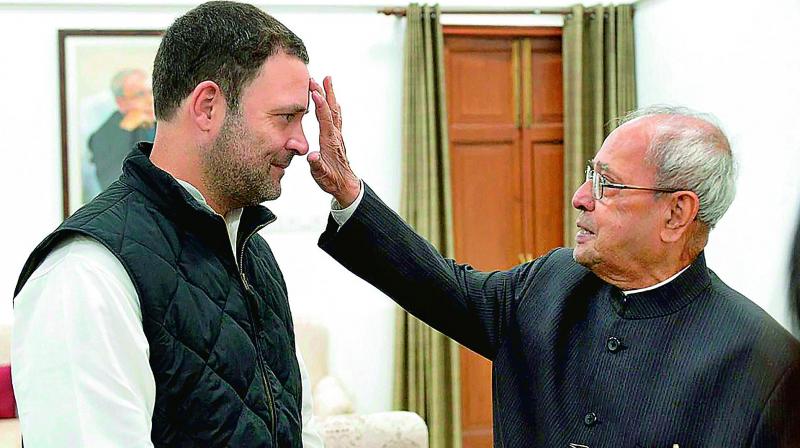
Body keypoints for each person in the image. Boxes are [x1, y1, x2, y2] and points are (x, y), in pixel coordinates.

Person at [305, 82, 800, 447]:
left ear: (676, 213)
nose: (580, 197)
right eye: (590, 176)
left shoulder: (769, 366)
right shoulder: (551, 282)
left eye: (607, 184)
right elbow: (441, 287)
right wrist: (349, 192)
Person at [13, 2, 324, 447]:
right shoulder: (85, 272)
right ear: (208, 106)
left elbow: (300, 427)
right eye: (285, 117)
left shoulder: (253, 251)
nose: (300, 142)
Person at [88, 68, 157, 191]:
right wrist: (126, 129)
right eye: (140, 95)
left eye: (152, 92)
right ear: (121, 103)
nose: (150, 100)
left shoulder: (164, 123)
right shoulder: (102, 136)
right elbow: (109, 182)